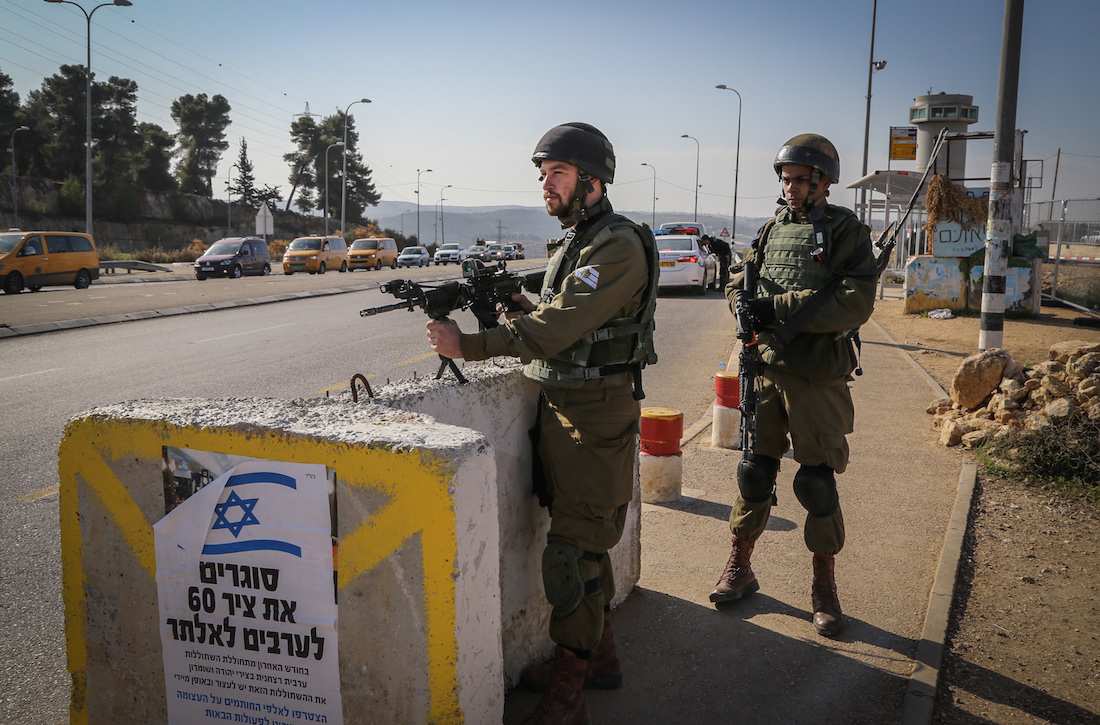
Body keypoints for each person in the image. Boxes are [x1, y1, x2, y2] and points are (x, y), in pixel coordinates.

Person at [426, 122, 658, 724]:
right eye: (542, 175)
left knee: (569, 556)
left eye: (556, 173)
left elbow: (558, 330)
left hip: (596, 418)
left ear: (592, 179)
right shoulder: (576, 244)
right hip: (563, 412)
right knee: (585, 546)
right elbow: (558, 317)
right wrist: (518, 306)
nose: (545, 185)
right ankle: (598, 661)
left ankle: (568, 698)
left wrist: (469, 345)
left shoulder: (617, 245)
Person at [710, 134, 877, 638]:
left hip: (817, 375)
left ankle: (824, 588)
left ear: (824, 182)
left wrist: (775, 309)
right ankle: (740, 567)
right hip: (764, 369)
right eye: (786, 179)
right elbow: (744, 277)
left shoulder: (847, 231)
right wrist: (739, 298)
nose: (790, 187)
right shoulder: (769, 229)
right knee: (753, 474)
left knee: (815, 482)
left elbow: (856, 301)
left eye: (800, 179)